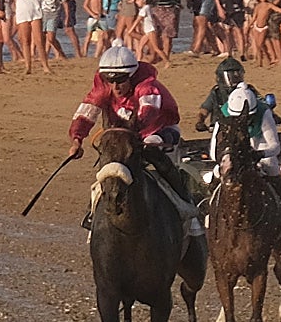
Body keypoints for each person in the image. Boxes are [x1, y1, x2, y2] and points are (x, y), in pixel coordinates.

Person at [67, 42, 199, 230]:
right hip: (123, 137)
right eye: (109, 80)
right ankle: (93, 211)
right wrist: (77, 139)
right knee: (109, 164)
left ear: (131, 75)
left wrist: (132, 133)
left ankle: (185, 204)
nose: (115, 86)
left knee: (153, 149)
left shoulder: (146, 85)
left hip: (157, 131)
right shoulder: (103, 87)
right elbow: (86, 112)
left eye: (120, 80)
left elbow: (149, 112)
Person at [209, 83, 281, 219]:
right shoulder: (223, 114)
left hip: (259, 144)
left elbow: (275, 146)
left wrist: (260, 154)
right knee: (217, 171)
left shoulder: (264, 112)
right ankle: (210, 209)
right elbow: (213, 150)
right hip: (234, 148)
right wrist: (223, 159)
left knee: (271, 165)